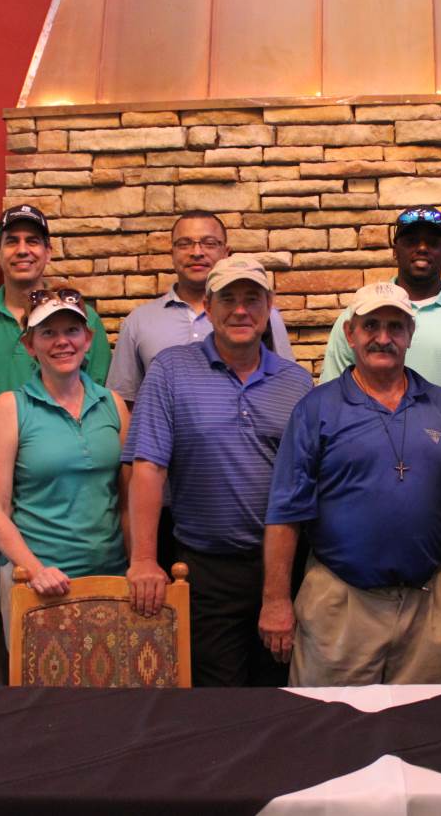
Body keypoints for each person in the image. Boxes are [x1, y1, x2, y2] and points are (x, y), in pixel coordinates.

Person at [261, 282, 441, 686]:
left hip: (430, 605)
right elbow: (285, 510)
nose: (383, 337)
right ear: (350, 334)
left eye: (395, 326)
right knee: (331, 732)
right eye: (371, 325)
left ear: (411, 335)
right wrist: (275, 601)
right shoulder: (316, 408)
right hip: (340, 603)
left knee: (429, 730)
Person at [126, 256, 311, 687]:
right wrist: (144, 559)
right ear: (208, 306)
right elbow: (148, 466)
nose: (240, 310)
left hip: (281, 567)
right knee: (217, 697)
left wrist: (280, 589)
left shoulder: (297, 382)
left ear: (270, 308)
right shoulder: (170, 370)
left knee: (280, 694)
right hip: (203, 570)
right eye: (228, 298)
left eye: (252, 299)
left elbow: (304, 485)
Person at [0, 288, 131, 640]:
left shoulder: (113, 404)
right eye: (48, 332)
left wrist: (137, 563)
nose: (62, 341)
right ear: (30, 344)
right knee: (40, 693)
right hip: (37, 583)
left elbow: (127, 500)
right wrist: (35, 570)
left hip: (110, 579)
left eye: (72, 331)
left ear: (88, 339)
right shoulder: (10, 408)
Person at [319, 206, 441, 405]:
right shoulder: (359, 316)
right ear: (395, 251)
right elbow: (330, 397)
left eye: (432, 242)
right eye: (411, 241)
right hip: (367, 434)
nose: (422, 248)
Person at [107, 213, 294, 406]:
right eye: (184, 243)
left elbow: (285, 385)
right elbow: (124, 404)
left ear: (226, 252)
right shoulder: (139, 321)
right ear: (171, 252)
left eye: (209, 243)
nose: (197, 252)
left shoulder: (263, 317)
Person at [0, 204, 111, 395]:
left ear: (48, 253)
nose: (22, 250)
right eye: (12, 241)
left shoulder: (84, 318)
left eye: (32, 241)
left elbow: (99, 398)